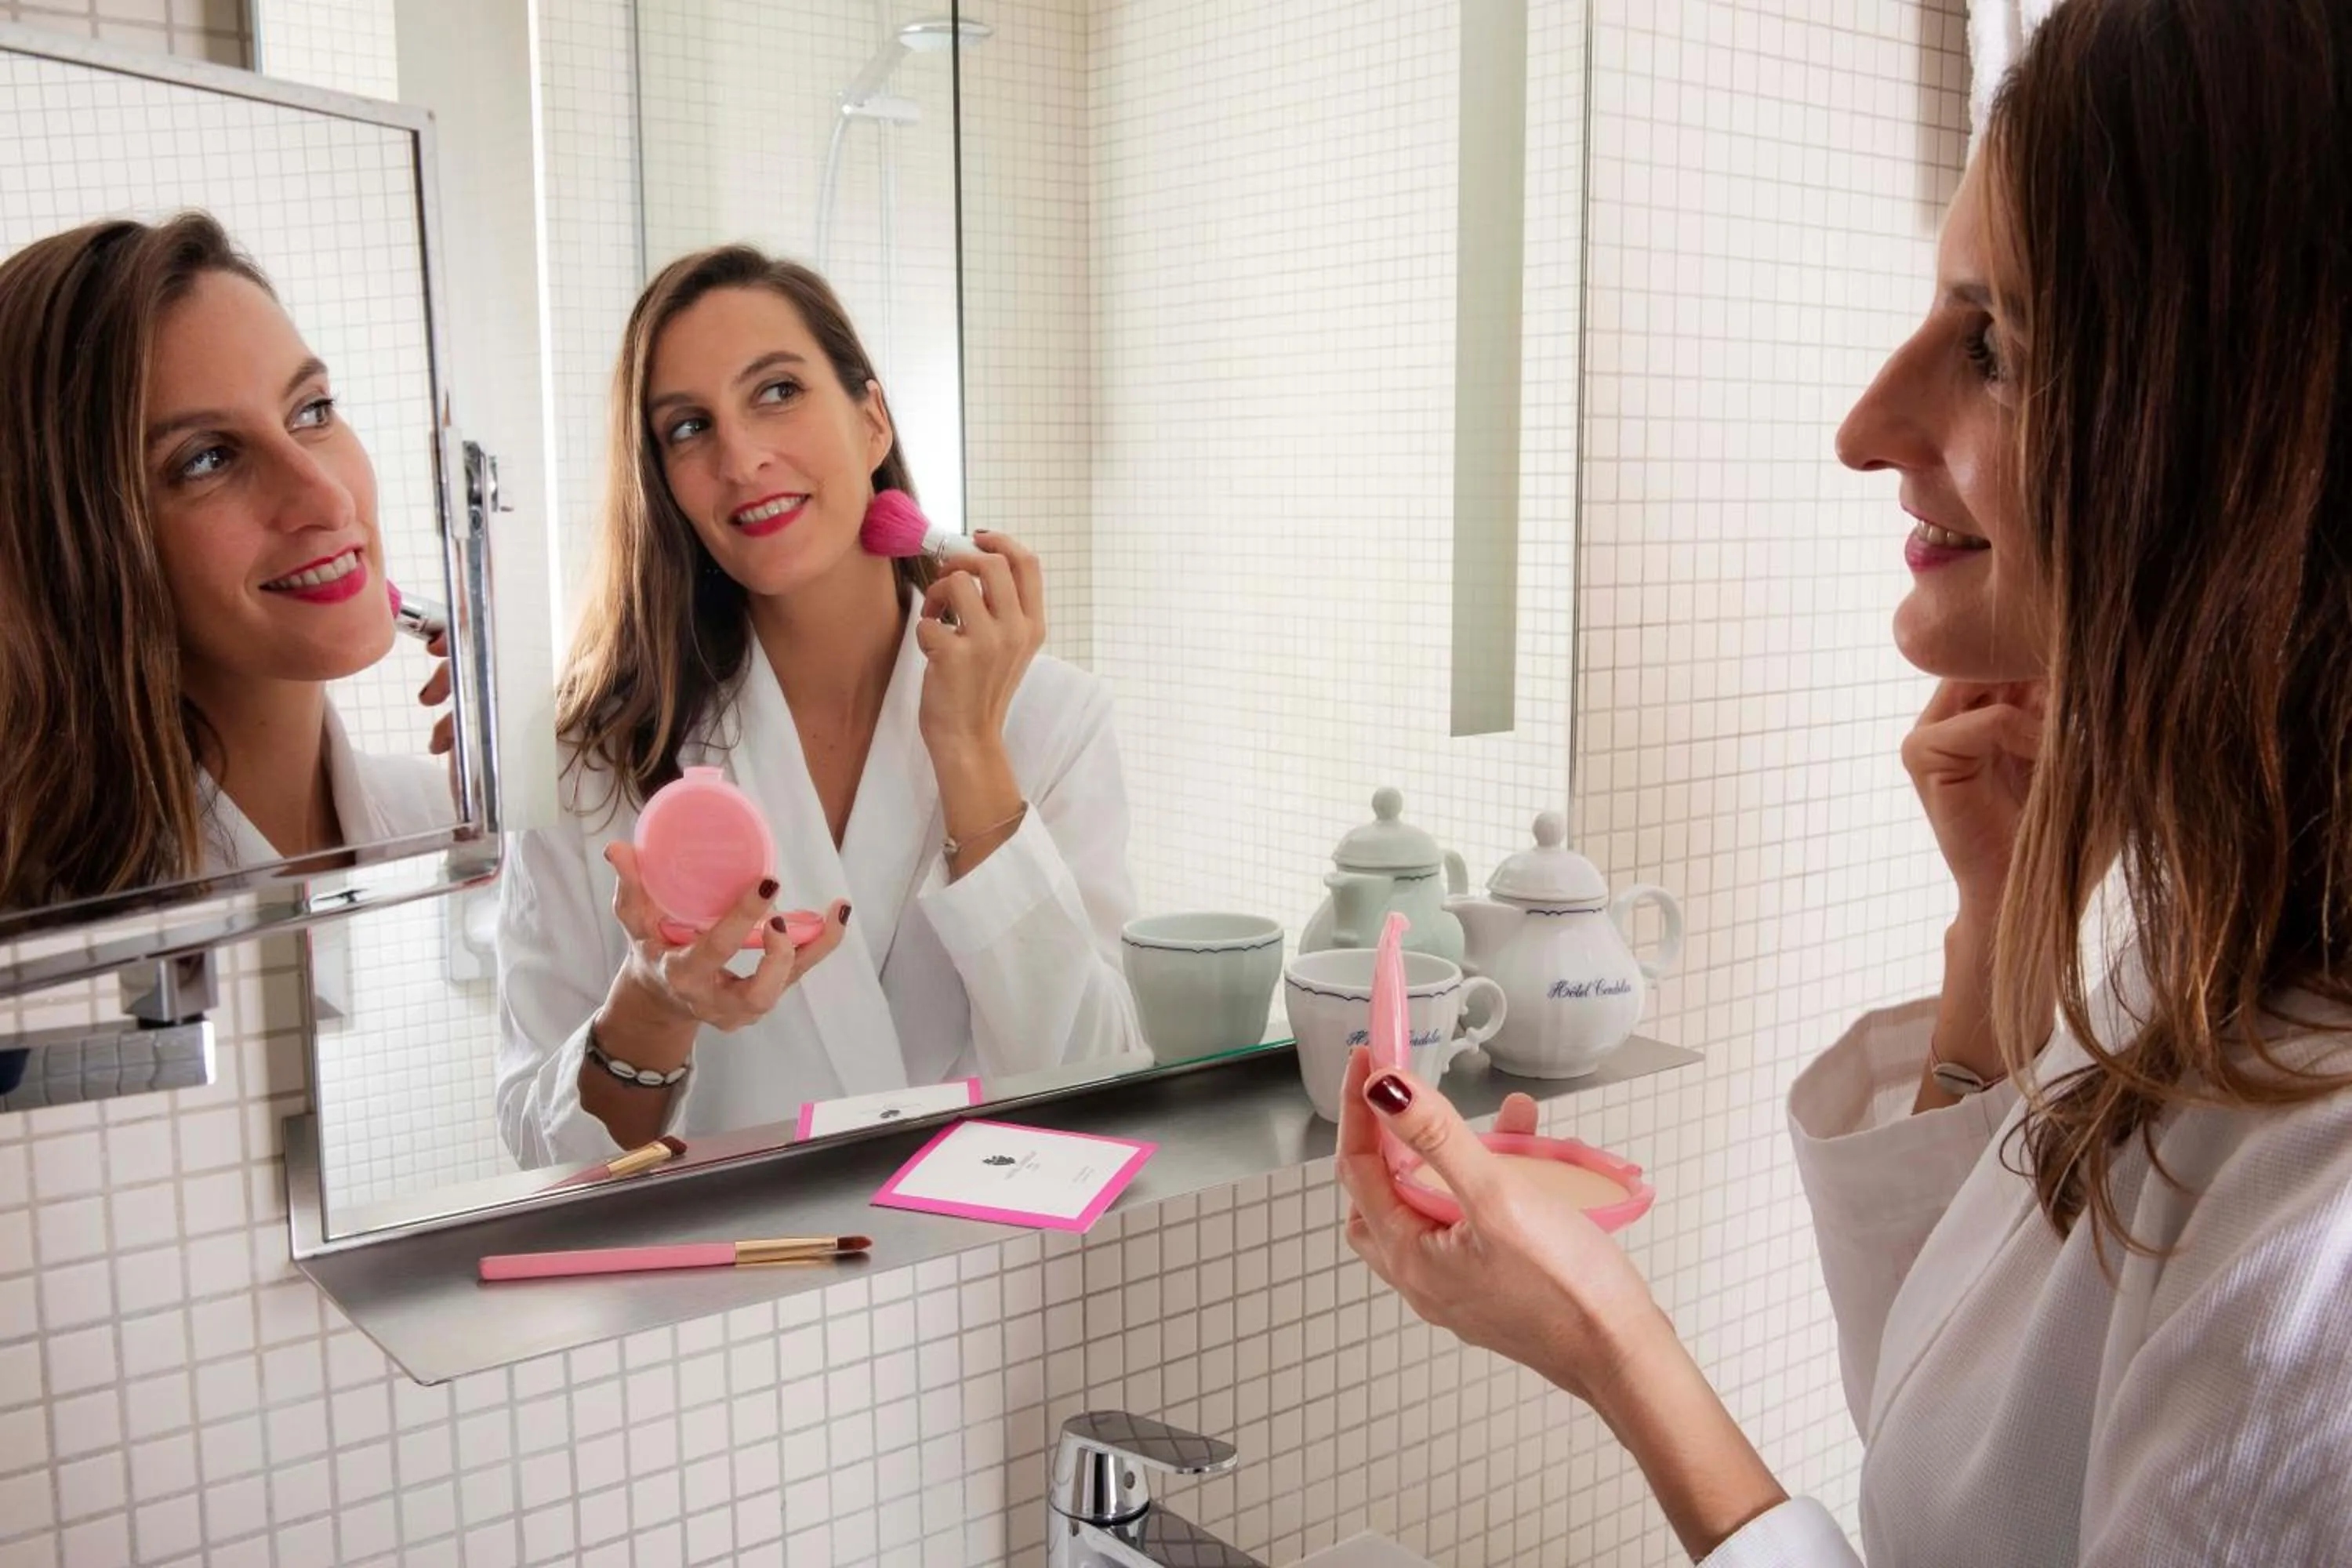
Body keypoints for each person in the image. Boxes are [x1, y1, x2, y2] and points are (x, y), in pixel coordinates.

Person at [1336, 2, 2352, 1563]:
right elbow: (1960, 1453)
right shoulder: (2222, 950)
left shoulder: (2319, 1284)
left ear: (2243, 445)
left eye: (1995, 346)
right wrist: (2002, 925)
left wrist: (1616, 1343)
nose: (1867, 426)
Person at [495, 245, 1140, 1167]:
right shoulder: (586, 758)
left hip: (991, 1286)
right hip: (733, 1294)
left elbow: (1100, 1085)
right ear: (664, 487)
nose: (742, 457)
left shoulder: (1053, 721)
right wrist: (655, 999)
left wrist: (967, 751)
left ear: (872, 419)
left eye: (777, 392)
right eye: (687, 428)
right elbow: (535, 1150)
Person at [0, 212, 454, 913]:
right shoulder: (47, 924)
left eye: (312, 411)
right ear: (78, 551)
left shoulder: (447, 823)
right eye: (207, 459)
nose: (328, 500)